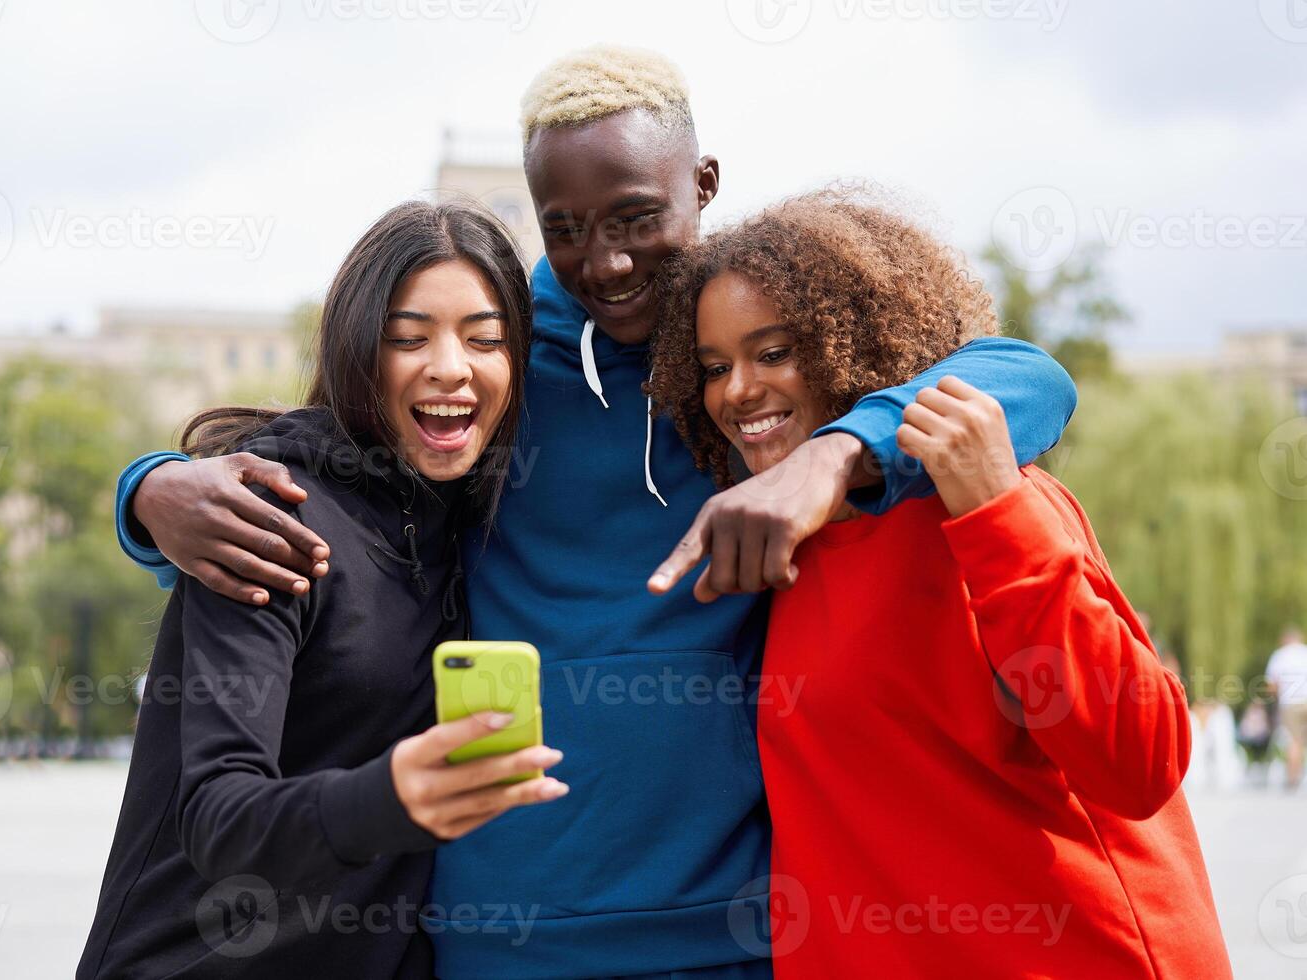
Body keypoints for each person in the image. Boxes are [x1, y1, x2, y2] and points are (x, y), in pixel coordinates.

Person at [109, 48, 1078, 978]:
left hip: (728, 926)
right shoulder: (500, 357)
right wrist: (149, 493)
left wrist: (831, 456)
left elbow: (1026, 378)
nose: (605, 260)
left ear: (702, 183)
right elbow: (345, 493)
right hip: (497, 932)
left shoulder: (762, 370)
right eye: (564, 227)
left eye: (634, 216)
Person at [647, 188, 1231, 977]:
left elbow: (1140, 761)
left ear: (850, 342)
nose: (737, 390)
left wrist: (994, 508)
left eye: (775, 353)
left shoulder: (981, 504)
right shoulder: (774, 548)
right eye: (715, 368)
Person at [77, 200, 568, 979]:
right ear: (357, 350)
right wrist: (390, 798)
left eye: (485, 339)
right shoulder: (269, 514)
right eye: (409, 337)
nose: (450, 365)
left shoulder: (477, 517)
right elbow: (216, 812)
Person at [1266, 625, 1307, 789]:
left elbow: (1271, 685)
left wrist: (1278, 698)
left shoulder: (1280, 655)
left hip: (1290, 703)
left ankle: (1293, 780)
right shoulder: (1305, 652)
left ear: (1285, 640)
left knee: (1295, 742)